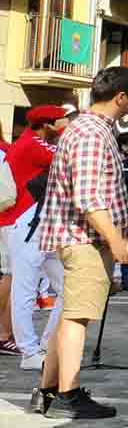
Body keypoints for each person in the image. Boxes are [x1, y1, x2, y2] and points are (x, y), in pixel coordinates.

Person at [33, 67, 128, 419]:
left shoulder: (95, 129)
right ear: (121, 97)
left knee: (71, 314)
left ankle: (48, 390)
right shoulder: (92, 133)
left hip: (81, 236)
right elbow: (89, 199)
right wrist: (117, 243)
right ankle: (68, 392)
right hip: (84, 237)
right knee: (78, 317)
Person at [3, 104, 70, 374]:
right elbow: (68, 159)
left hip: (41, 224)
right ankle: (29, 351)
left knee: (69, 288)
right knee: (25, 290)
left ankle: (47, 344)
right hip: (25, 224)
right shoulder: (33, 145)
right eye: (61, 123)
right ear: (48, 125)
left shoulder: (35, 141)